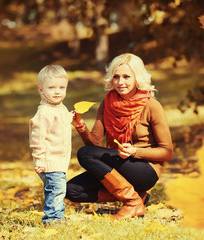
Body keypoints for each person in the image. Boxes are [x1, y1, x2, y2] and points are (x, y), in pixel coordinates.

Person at [66, 53, 173, 219]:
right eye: (116, 77)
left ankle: (132, 203)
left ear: (137, 77)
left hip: (145, 170)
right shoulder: (107, 103)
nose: (120, 82)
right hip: (117, 166)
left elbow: (167, 152)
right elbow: (93, 144)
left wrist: (135, 152)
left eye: (126, 76)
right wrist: (80, 126)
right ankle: (138, 197)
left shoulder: (151, 105)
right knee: (72, 190)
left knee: (84, 153)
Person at [29, 65, 74, 225]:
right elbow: (37, 139)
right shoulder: (44, 113)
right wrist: (39, 160)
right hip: (49, 161)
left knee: (58, 190)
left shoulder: (60, 108)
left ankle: (57, 216)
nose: (57, 91)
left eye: (62, 87)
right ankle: (52, 220)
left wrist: (71, 116)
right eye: (52, 87)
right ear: (41, 90)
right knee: (56, 190)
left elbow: (61, 123)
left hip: (59, 162)